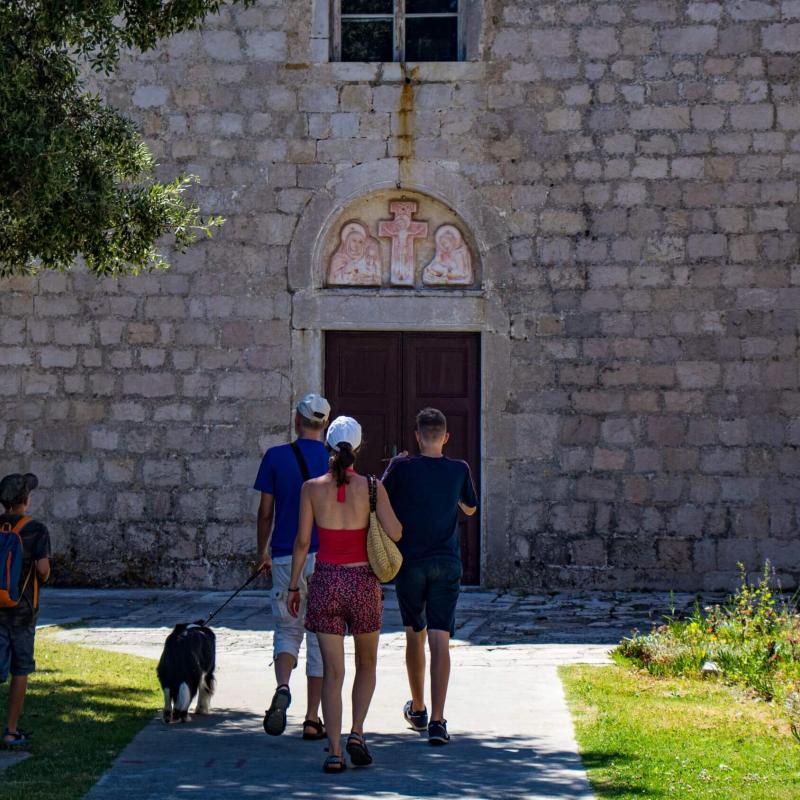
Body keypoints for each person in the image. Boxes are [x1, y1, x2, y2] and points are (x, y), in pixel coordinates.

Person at [288, 416, 402, 773]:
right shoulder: (372, 487)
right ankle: (357, 732)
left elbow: (303, 542)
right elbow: (396, 532)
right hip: (363, 582)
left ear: (327, 446)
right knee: (366, 664)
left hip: (326, 583)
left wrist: (294, 585)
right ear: (359, 446)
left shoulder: (311, 488)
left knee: (332, 672)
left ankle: (334, 751)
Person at [382, 408, 477, 746]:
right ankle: (438, 720)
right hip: (446, 562)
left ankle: (418, 707)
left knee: (414, 635)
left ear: (417, 435)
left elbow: (378, 494)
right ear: (446, 437)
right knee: (440, 640)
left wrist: (394, 466)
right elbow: (470, 508)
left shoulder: (402, 468)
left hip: (411, 563)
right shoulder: (459, 469)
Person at [254, 393, 331, 739]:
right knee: (318, 638)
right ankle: (313, 719)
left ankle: (283, 686)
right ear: (324, 425)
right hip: (328, 559)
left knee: (287, 629)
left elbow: (265, 512)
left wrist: (262, 554)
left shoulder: (275, 457)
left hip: (286, 555)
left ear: (297, 421)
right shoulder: (334, 461)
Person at [0, 472, 51, 748]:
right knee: (20, 669)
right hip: (22, 611)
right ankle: (10, 730)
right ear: (25, 500)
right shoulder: (36, 529)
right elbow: (43, 570)